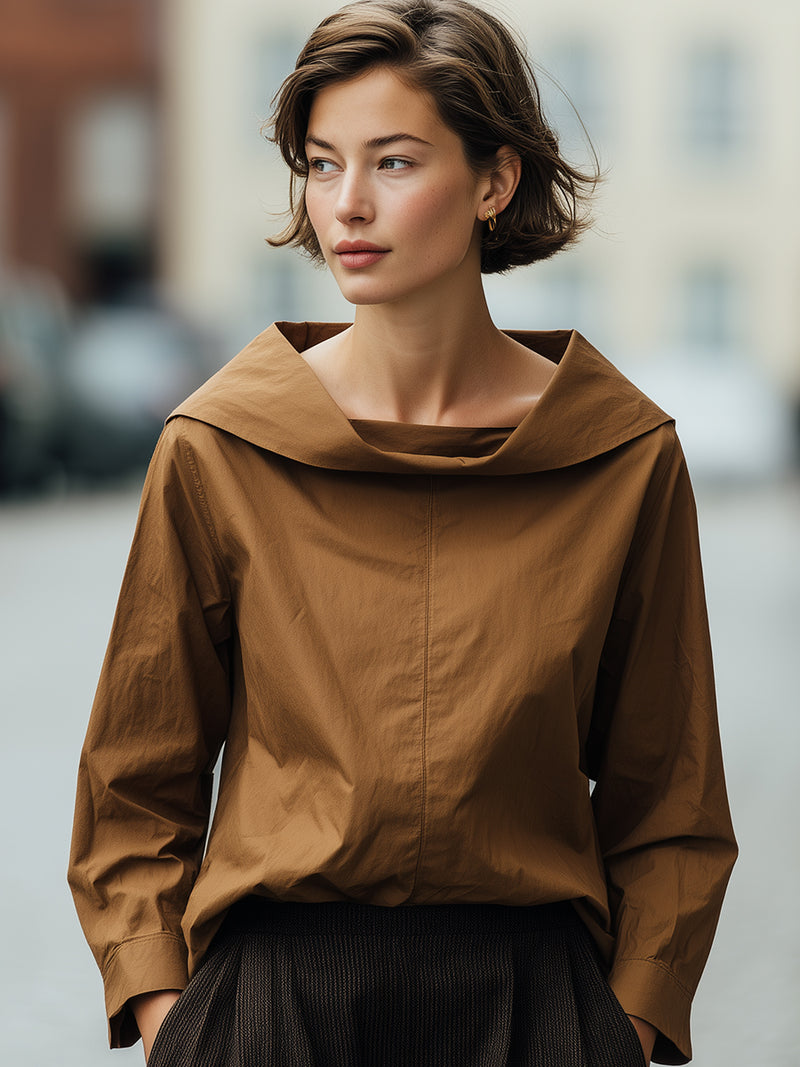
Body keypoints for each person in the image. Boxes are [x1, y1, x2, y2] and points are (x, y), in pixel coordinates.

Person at [68, 1, 737, 1064]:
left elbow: (671, 795)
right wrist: (173, 1020)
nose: (348, 205)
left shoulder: (621, 456)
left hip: (535, 1005)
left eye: (392, 161)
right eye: (323, 163)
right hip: (272, 1006)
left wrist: (625, 1023)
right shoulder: (217, 446)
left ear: (492, 181)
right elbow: (133, 781)